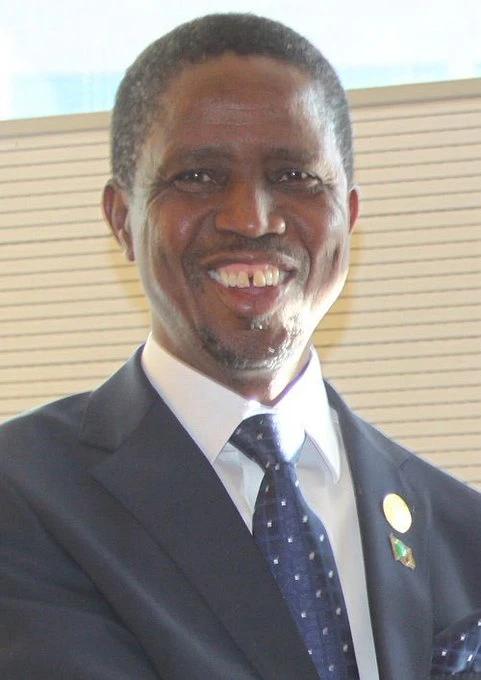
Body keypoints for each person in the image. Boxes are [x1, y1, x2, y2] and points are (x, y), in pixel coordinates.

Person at [1, 13, 480, 680]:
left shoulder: (461, 533)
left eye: (295, 175)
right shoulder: (24, 495)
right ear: (122, 219)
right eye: (198, 176)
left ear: (348, 217)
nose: (251, 219)